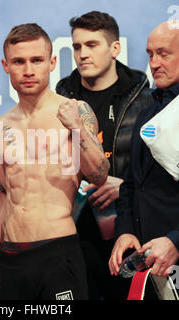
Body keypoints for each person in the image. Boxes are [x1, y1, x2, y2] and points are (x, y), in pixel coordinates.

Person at [0, 23, 109, 300]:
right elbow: (1, 195)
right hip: (12, 257)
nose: (28, 70)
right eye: (19, 61)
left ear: (52, 62)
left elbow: (100, 175)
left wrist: (77, 128)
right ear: (6, 66)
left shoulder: (74, 111)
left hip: (58, 253)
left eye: (36, 60)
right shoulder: (0, 125)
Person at [56, 11, 154, 299]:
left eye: (92, 45)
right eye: (77, 47)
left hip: (129, 234)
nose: (82, 54)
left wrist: (124, 188)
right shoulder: (61, 101)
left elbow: (160, 175)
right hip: (73, 235)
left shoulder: (145, 102)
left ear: (115, 48)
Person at [109, 20, 179, 296]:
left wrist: (176, 241)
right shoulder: (146, 114)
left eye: (164, 53)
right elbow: (130, 184)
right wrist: (125, 231)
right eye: (150, 54)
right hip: (150, 265)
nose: (154, 63)